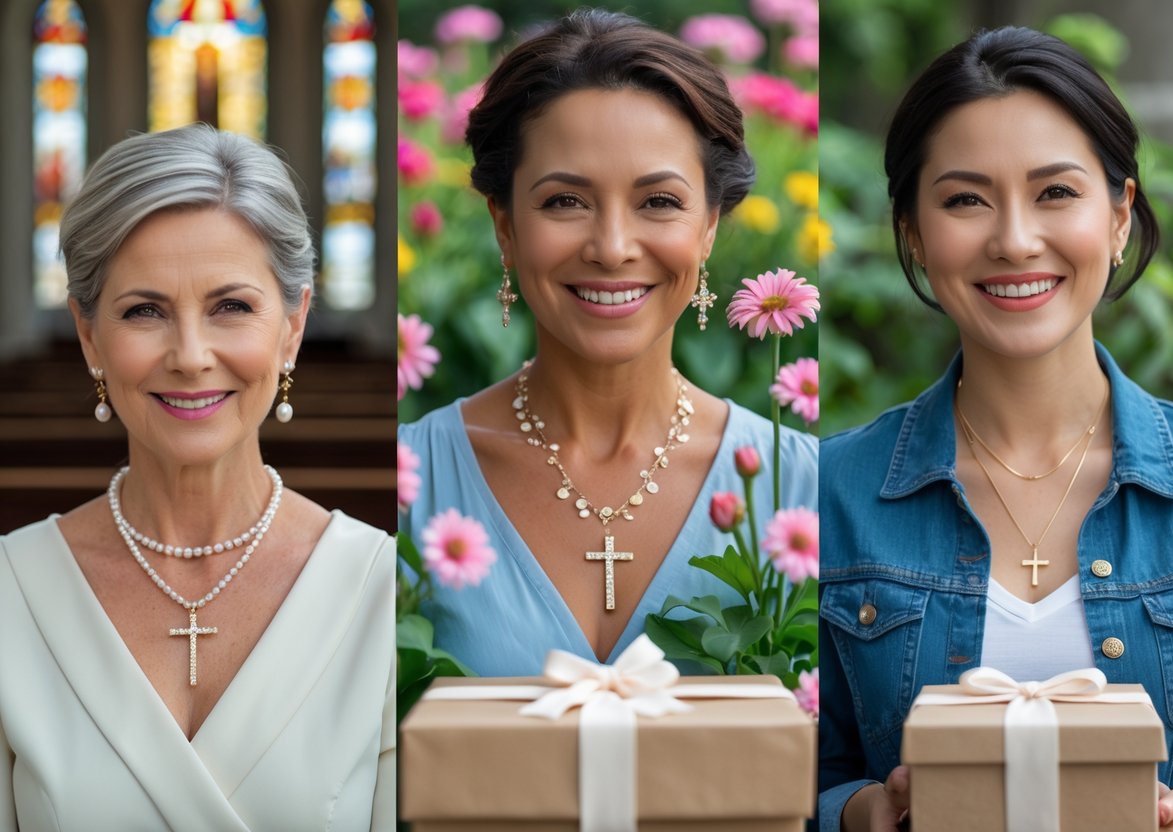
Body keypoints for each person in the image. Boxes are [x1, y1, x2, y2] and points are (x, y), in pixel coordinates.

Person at [818, 26, 1173, 832]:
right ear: (913, 235)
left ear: (1118, 215)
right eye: (965, 199)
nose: (1013, 239)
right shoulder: (824, 494)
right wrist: (857, 810)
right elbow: (777, 772)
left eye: (1055, 193)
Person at [400, 9, 818, 676]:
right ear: (504, 227)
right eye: (566, 202)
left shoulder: (801, 485)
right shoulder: (405, 484)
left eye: (658, 203)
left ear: (708, 227)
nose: (613, 248)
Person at [0, 125, 395, 831]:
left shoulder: (380, 591)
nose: (189, 355)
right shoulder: (10, 593)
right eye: (144, 311)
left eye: (231, 307)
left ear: (292, 326)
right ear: (90, 336)